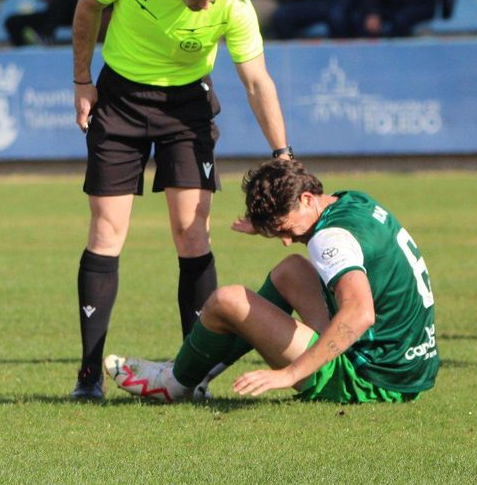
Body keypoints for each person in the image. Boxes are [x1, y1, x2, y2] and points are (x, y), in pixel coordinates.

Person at [69, 0, 291, 399]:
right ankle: (89, 374)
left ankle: (195, 374)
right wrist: (81, 80)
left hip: (187, 108)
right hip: (120, 99)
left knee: (192, 233)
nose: (206, 6)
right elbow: (88, 6)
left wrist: (282, 154)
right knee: (106, 232)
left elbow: (256, 82)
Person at [106, 158, 439, 405]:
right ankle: (197, 377)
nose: (283, 238)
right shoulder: (353, 202)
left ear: (307, 199)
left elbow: (360, 313)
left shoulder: (328, 238)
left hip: (373, 381)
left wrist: (289, 374)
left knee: (228, 300)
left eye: (284, 229)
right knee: (290, 270)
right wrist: (272, 222)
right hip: (407, 370)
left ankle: (174, 384)